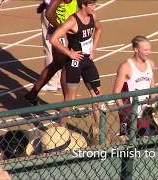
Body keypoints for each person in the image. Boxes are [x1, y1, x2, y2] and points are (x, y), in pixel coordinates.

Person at [50, 0, 102, 139]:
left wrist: (94, 48)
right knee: (70, 99)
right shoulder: (72, 21)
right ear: (83, 5)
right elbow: (54, 39)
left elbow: (99, 29)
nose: (94, 7)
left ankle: (97, 130)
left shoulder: (93, 16)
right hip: (74, 63)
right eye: (91, 5)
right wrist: (69, 53)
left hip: (88, 61)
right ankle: (62, 130)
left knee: (97, 96)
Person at [24, 0, 78, 105]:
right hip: (61, 32)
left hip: (69, 30)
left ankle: (32, 94)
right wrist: (61, 28)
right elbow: (49, 13)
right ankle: (69, 104)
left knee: (56, 65)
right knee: (65, 66)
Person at [113, 35, 157, 137]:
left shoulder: (150, 64)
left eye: (149, 49)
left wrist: (155, 105)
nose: (148, 52)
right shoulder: (125, 67)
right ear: (136, 49)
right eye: (145, 50)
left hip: (145, 112)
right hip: (128, 112)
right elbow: (116, 93)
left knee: (146, 138)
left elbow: (152, 87)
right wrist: (124, 111)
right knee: (124, 138)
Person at [37, 0, 62, 92]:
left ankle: (52, 82)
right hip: (65, 11)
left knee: (50, 47)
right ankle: (60, 81)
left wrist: (44, 3)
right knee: (61, 45)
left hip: (51, 11)